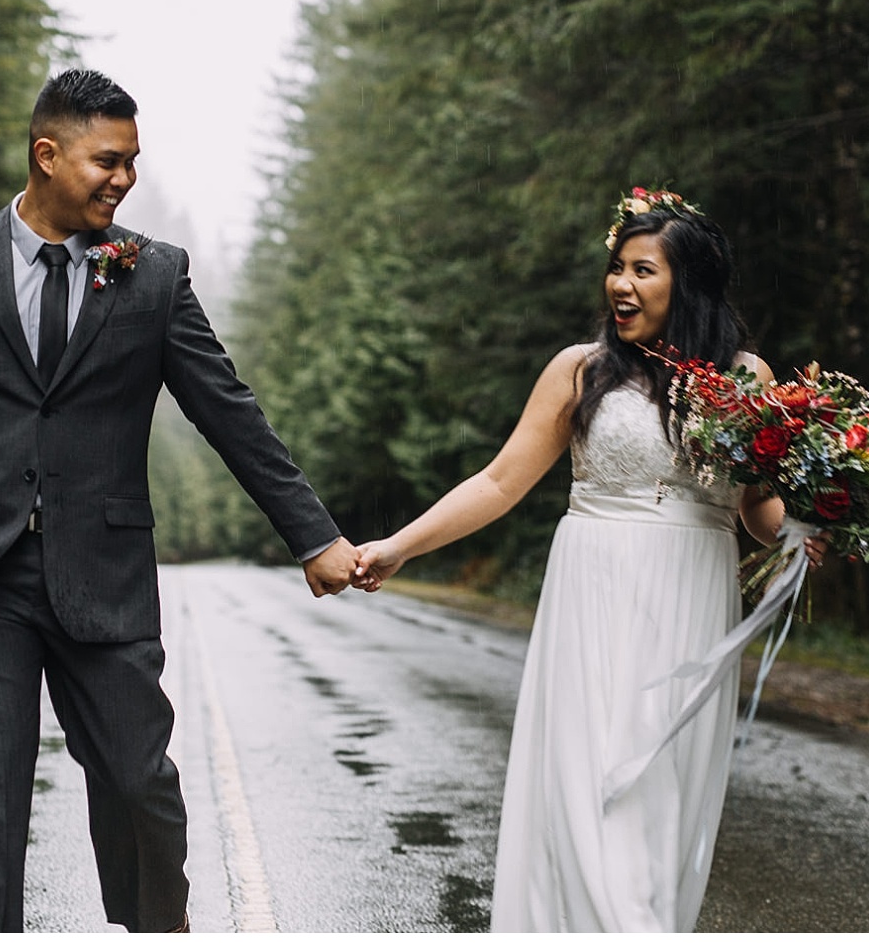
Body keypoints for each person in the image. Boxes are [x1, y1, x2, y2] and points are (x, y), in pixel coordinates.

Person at [0, 68, 361, 933]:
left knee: (141, 786)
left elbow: (230, 410)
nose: (124, 179)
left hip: (107, 575)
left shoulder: (153, 275)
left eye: (132, 162)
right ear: (46, 154)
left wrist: (312, 536)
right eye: (107, 160)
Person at [350, 191, 822, 931]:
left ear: (688, 282)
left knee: (660, 792)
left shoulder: (747, 379)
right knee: (589, 782)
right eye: (616, 267)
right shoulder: (579, 370)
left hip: (693, 597)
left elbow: (753, 508)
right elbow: (501, 481)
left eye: (643, 269)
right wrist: (399, 543)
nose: (621, 285)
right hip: (595, 589)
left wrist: (802, 526)